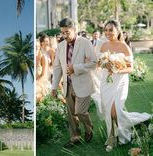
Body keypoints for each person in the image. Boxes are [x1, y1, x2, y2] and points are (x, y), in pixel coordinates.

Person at [99, 20, 151, 152]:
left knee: (115, 112)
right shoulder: (103, 46)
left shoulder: (124, 47)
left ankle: (115, 136)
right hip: (106, 82)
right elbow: (99, 64)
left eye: (111, 30)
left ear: (117, 31)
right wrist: (104, 64)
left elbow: (130, 68)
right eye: (106, 30)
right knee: (109, 112)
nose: (108, 32)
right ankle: (115, 135)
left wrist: (116, 70)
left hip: (120, 82)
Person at [51, 18, 97, 148]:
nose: (64, 35)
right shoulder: (60, 46)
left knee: (81, 111)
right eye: (62, 33)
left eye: (67, 32)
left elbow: (93, 63)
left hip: (83, 83)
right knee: (71, 114)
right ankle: (75, 137)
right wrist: (54, 87)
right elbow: (57, 68)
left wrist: (75, 68)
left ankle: (89, 129)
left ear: (74, 29)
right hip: (67, 85)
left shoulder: (85, 42)